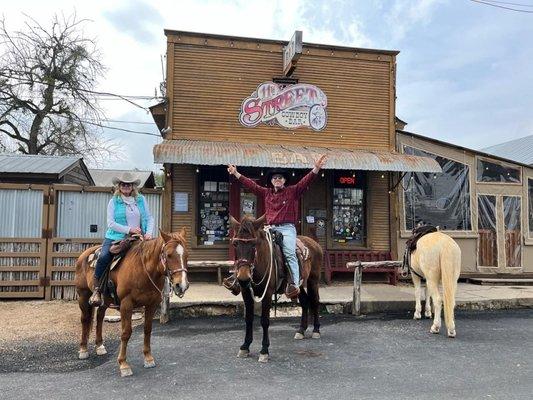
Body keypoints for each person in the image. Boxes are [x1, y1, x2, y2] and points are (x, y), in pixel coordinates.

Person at [227, 154, 327, 299]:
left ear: (284, 180)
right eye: (275, 178)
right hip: (270, 228)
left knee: (289, 251)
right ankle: (239, 279)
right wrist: (236, 174)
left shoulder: (293, 191)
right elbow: (252, 185)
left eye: (280, 177)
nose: (277, 179)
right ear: (272, 181)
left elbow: (306, 181)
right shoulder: (266, 193)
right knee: (250, 247)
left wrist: (316, 168)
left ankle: (294, 282)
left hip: (287, 228)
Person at [89, 172, 155, 306]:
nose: (126, 186)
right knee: (104, 257)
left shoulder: (141, 200)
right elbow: (111, 223)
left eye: (128, 184)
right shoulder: (113, 201)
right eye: (123, 184)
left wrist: (148, 233)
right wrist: (129, 230)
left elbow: (149, 218)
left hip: (137, 238)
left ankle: (146, 292)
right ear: (119, 186)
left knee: (151, 259)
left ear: (132, 187)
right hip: (115, 237)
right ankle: (97, 290)